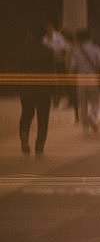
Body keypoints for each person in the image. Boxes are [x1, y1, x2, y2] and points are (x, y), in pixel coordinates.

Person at [19, 24, 55, 155]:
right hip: (43, 89)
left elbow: (18, 69)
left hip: (27, 87)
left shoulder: (23, 50)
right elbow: (52, 73)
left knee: (27, 114)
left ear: (30, 34)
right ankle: (39, 146)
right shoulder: (48, 51)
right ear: (44, 36)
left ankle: (24, 137)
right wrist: (56, 93)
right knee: (43, 117)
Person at [68, 29, 100, 135]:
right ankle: (92, 116)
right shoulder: (96, 49)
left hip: (81, 78)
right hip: (92, 77)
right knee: (95, 101)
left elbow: (72, 67)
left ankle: (85, 127)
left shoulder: (76, 51)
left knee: (82, 103)